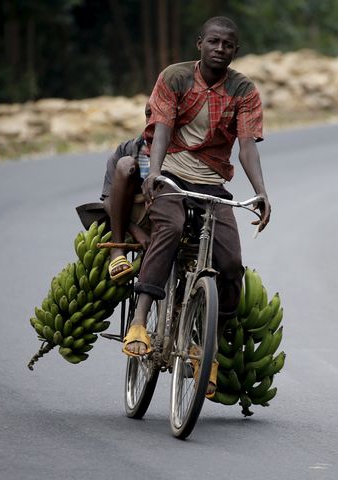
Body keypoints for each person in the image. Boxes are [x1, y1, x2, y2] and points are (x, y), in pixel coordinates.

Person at [122, 16, 271, 398]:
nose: (220, 49)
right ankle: (139, 321)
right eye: (214, 42)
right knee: (169, 228)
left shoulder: (244, 90)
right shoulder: (174, 77)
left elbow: (248, 145)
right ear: (200, 43)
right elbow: (162, 128)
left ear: (236, 51)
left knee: (231, 263)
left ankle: (208, 350)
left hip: (211, 182)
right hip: (171, 170)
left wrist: (261, 192)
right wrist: (154, 173)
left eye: (228, 45)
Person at [100, 104, 153, 282]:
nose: (154, 120)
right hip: (131, 218)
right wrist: (136, 231)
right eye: (149, 114)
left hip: (168, 217)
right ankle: (117, 249)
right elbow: (108, 199)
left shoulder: (182, 153)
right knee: (125, 164)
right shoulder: (126, 149)